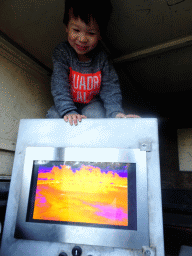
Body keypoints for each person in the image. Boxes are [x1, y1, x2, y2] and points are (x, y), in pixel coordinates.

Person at [46, 0, 140, 125]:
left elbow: (110, 89)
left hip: (92, 103)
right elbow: (59, 85)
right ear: (67, 27)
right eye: (76, 30)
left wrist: (115, 113)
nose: (82, 39)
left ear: (100, 35)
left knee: (97, 116)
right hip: (67, 102)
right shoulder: (62, 52)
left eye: (91, 33)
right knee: (53, 115)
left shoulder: (102, 58)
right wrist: (68, 111)